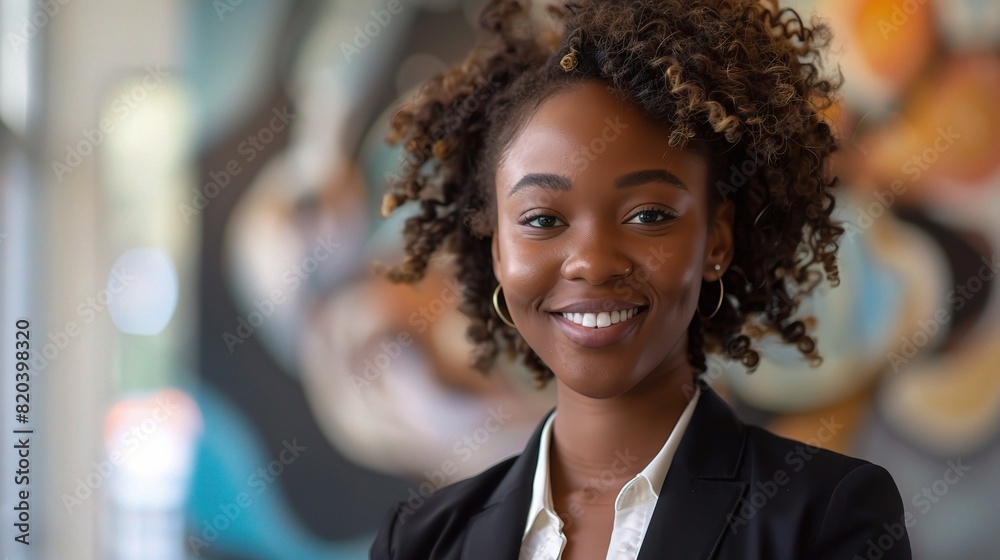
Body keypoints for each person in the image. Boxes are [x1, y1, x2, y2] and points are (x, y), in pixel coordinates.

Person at [369, 0, 912, 558]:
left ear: (715, 243)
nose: (592, 262)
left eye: (649, 215)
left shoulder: (824, 515)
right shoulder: (419, 542)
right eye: (542, 220)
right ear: (499, 253)